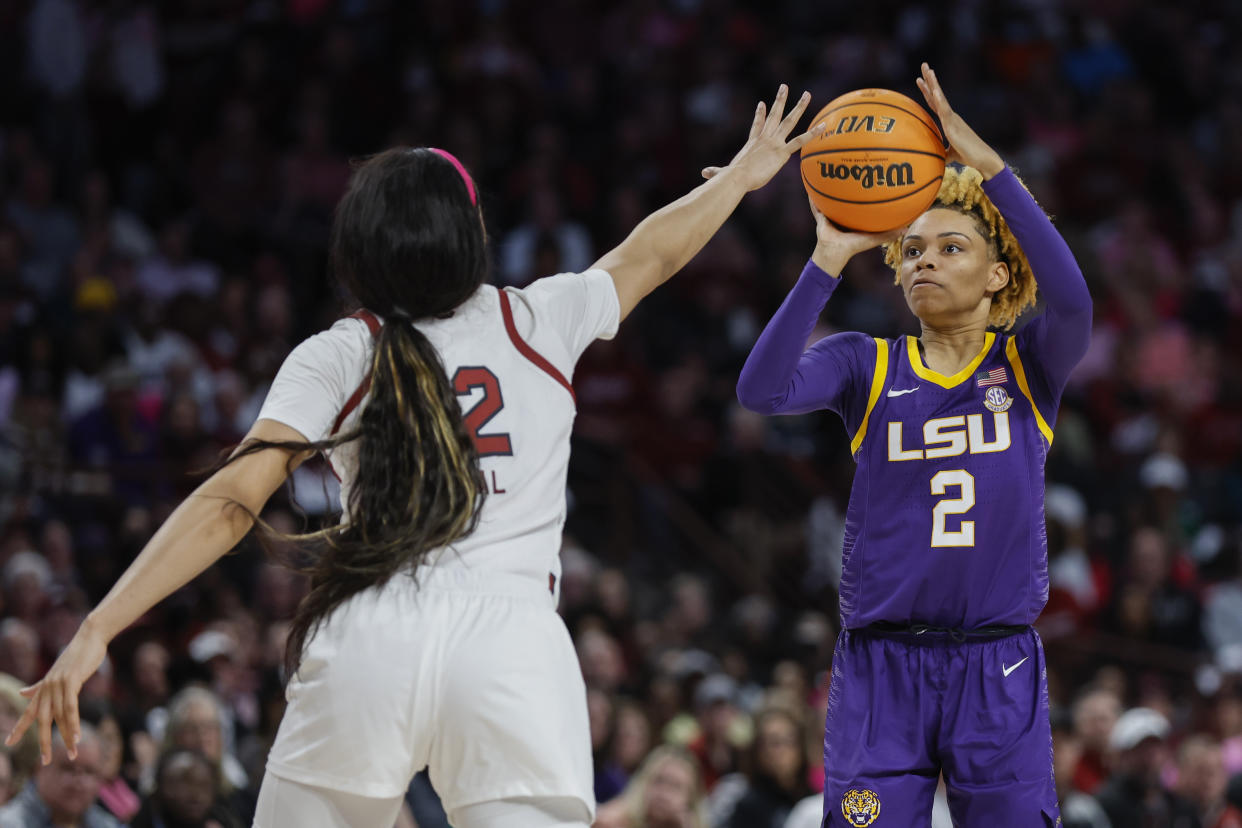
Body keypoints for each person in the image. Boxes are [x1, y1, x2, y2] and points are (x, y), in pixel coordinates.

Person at [7, 85, 822, 828]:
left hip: (375, 631)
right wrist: (741, 177)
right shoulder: (535, 320)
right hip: (513, 648)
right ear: (471, 237)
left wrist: (98, 628)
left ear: (362, 249)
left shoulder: (340, 351)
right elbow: (651, 251)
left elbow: (229, 503)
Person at [734, 63, 1093, 826]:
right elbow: (760, 392)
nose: (925, 259)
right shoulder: (865, 362)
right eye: (914, 249)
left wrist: (991, 171)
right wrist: (827, 259)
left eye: (951, 247)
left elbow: (1073, 298)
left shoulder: (1029, 366)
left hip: (996, 664)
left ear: (1000, 274)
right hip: (880, 669)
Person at [0, 724, 121, 828]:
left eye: (89, 771)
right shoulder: (8, 823)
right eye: (68, 768)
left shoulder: (108, 824)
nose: (78, 780)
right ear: (40, 769)